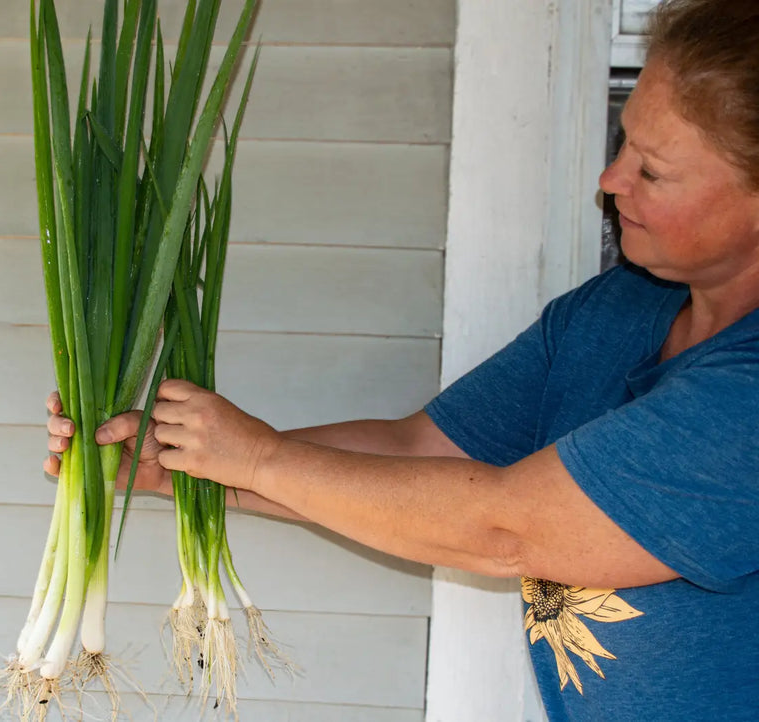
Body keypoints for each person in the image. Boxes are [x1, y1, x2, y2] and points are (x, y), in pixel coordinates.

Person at [45, 0, 759, 718]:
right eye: (623, 140)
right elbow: (419, 451)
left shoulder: (747, 398)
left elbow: (507, 528)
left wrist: (258, 458)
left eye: (654, 171)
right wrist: (189, 468)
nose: (611, 179)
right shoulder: (614, 311)